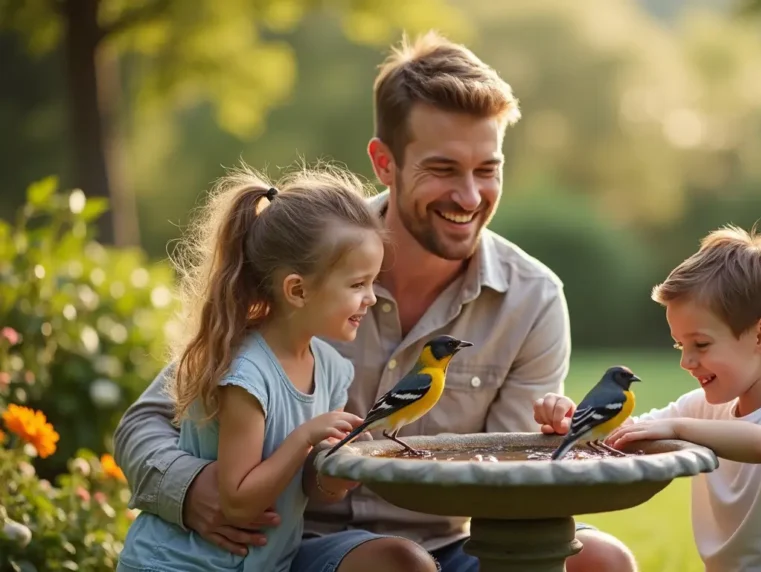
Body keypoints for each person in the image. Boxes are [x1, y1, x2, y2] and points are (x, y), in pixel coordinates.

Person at [113, 31, 637, 572]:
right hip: (295, 540)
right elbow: (144, 423)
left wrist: (555, 441)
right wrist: (196, 487)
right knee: (396, 565)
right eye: (442, 169)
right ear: (384, 162)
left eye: (487, 169)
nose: (470, 196)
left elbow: (504, 476)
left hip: (457, 542)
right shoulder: (304, 254)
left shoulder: (534, 299)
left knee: (602, 561)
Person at [116, 164, 385, 571]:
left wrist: (333, 472)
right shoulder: (246, 373)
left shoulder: (330, 368)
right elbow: (239, 503)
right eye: (357, 285)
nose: (372, 298)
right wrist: (305, 438)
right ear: (297, 290)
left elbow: (305, 481)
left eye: (373, 282)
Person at [535, 225, 761, 571]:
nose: (686, 361)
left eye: (701, 344)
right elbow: (627, 430)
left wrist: (680, 428)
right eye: (680, 345)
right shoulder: (701, 409)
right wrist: (573, 423)